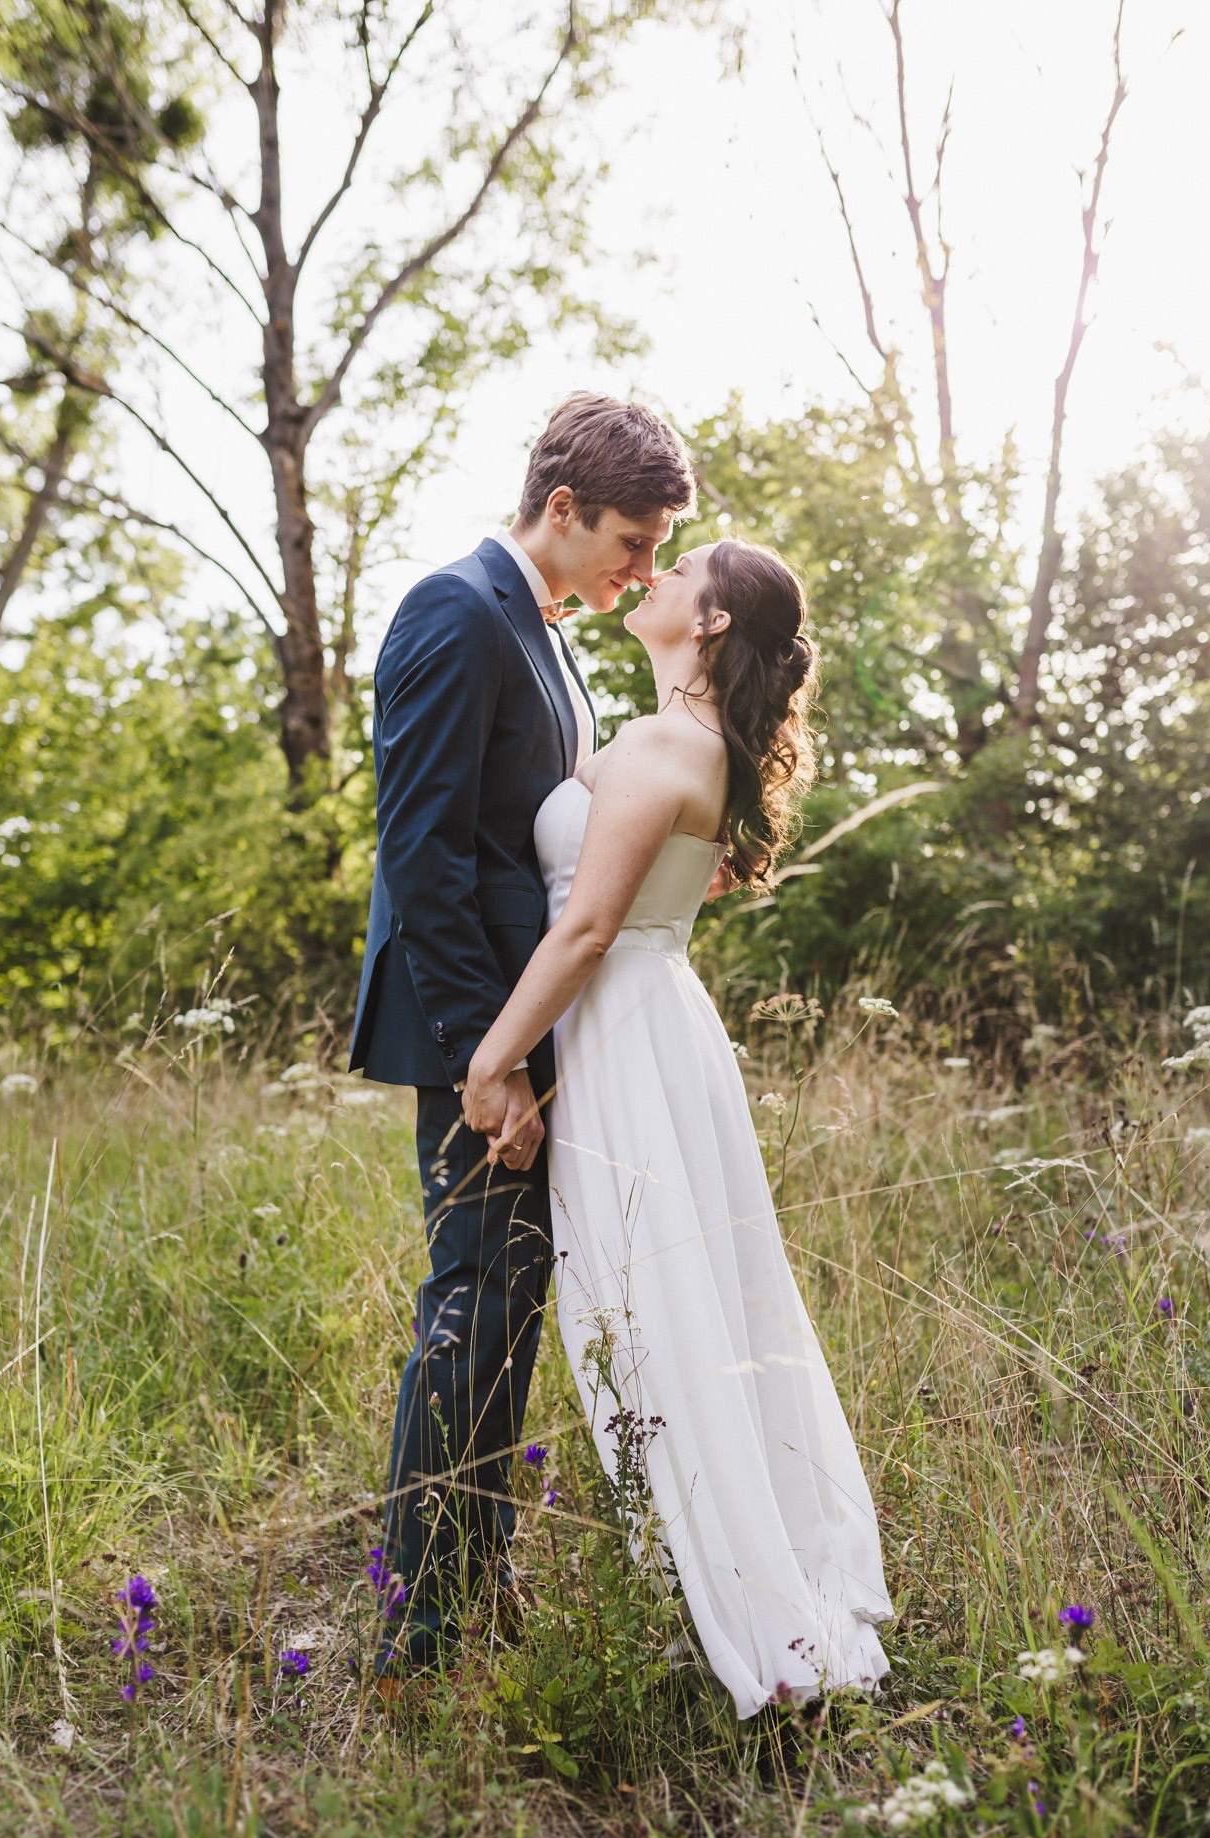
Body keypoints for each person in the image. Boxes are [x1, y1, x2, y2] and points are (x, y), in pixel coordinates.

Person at [463, 538, 892, 1717]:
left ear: (708, 623)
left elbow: (589, 928)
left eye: (675, 569)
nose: (648, 575)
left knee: (660, 1313)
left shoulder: (664, 745)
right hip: (644, 1027)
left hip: (627, 1036)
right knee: (680, 1305)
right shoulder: (680, 743)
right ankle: (725, 1568)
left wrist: (495, 1062)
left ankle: (750, 1608)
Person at [350, 393, 696, 1675]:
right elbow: (422, 855)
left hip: (527, 1028)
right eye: (632, 542)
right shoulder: (453, 610)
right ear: (563, 509)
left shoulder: (543, 636)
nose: (641, 570)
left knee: (507, 1305)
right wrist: (477, 1064)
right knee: (472, 1303)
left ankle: (469, 1581)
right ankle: (418, 1625)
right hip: (472, 1037)